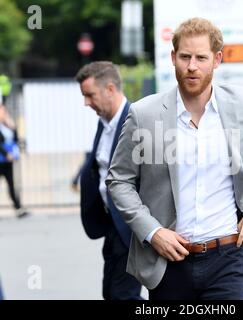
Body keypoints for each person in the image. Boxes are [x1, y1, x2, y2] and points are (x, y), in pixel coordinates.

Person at [106, 18, 243, 300]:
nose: (192, 66)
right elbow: (119, 180)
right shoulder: (144, 114)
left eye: (201, 57)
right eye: (185, 57)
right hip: (167, 262)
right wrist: (152, 231)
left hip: (227, 258)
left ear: (216, 59)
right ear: (173, 57)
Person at [75, 61, 142, 300]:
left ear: (110, 89)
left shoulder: (137, 121)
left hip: (131, 228)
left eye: (90, 95)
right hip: (111, 225)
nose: (86, 103)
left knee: (124, 296)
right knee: (112, 294)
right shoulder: (103, 123)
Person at [0, 104, 29, 218]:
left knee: (11, 185)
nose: (4, 113)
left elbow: (15, 139)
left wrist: (13, 127)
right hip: (2, 158)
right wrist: (6, 153)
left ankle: (18, 208)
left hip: (7, 161)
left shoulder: (7, 126)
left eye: (4, 111)